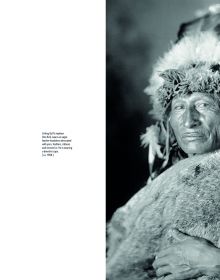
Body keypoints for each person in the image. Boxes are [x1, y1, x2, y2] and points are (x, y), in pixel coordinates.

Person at [107, 7, 220, 280]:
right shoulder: (159, 184)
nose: (189, 120)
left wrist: (214, 261)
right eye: (179, 107)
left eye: (204, 104)